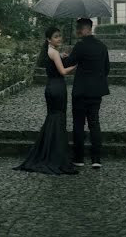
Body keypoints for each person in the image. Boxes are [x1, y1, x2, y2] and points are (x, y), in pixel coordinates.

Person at [14, 27, 78, 175]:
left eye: (60, 36)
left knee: (53, 119)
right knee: (58, 120)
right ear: (49, 39)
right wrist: (75, 65)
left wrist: (62, 56)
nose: (59, 38)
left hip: (51, 87)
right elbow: (62, 72)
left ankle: (49, 152)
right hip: (57, 88)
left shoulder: (50, 51)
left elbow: (55, 63)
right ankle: (55, 156)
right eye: (56, 37)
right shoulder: (53, 52)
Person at [63, 18, 110, 169]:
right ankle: (96, 159)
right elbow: (106, 69)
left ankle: (79, 158)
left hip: (81, 91)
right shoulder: (102, 46)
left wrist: (64, 56)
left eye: (79, 29)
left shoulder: (80, 45)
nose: (77, 31)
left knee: (78, 124)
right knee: (94, 123)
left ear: (86, 29)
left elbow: (69, 63)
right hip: (96, 91)